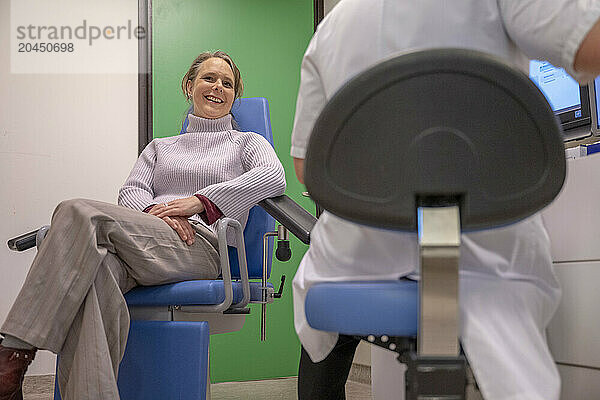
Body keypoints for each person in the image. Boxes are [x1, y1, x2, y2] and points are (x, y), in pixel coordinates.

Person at [290, 1, 600, 399]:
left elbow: (308, 166)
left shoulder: (332, 27)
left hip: (361, 257)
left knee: (327, 319)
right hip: (484, 251)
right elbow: (588, 45)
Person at [0, 50, 286, 400]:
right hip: (151, 238)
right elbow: (131, 192)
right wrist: (160, 211)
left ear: (234, 96)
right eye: (209, 78)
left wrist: (200, 202)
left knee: (76, 211)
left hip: (201, 247)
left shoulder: (247, 142)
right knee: (98, 271)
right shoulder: (159, 148)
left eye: (228, 84)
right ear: (189, 85)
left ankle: (12, 354)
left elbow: (273, 176)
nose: (218, 87)